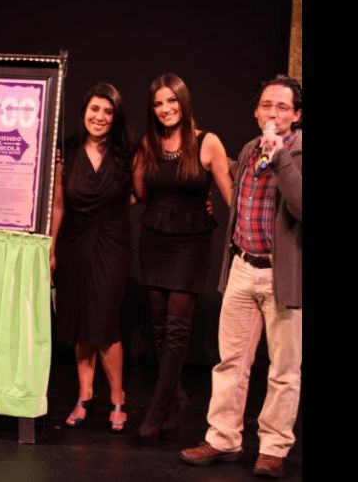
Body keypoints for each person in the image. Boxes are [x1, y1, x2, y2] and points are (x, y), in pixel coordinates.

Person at [180, 75, 302, 479]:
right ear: (256, 111)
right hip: (242, 268)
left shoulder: (299, 152)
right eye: (267, 105)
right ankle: (223, 437)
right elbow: (237, 198)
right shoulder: (249, 150)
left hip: (283, 277)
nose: (273, 113)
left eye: (282, 107)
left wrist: (281, 156)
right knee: (230, 361)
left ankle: (273, 447)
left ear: (296, 115)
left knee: (283, 370)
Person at [132, 73, 232, 445]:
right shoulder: (149, 142)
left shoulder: (208, 142)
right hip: (155, 238)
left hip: (191, 244)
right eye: (158, 104)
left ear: (183, 101)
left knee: (176, 327)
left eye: (171, 101)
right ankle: (176, 400)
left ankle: (156, 410)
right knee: (157, 324)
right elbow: (142, 194)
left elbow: (232, 196)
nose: (165, 109)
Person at [49, 82, 136, 431]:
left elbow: (142, 192)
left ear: (115, 117)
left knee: (103, 322)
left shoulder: (128, 152)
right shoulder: (65, 151)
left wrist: (109, 211)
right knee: (80, 321)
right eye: (94, 109)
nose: (99, 117)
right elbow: (58, 204)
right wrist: (51, 248)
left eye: (107, 111)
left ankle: (118, 397)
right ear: (84, 111)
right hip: (73, 241)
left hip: (112, 242)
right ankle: (85, 396)